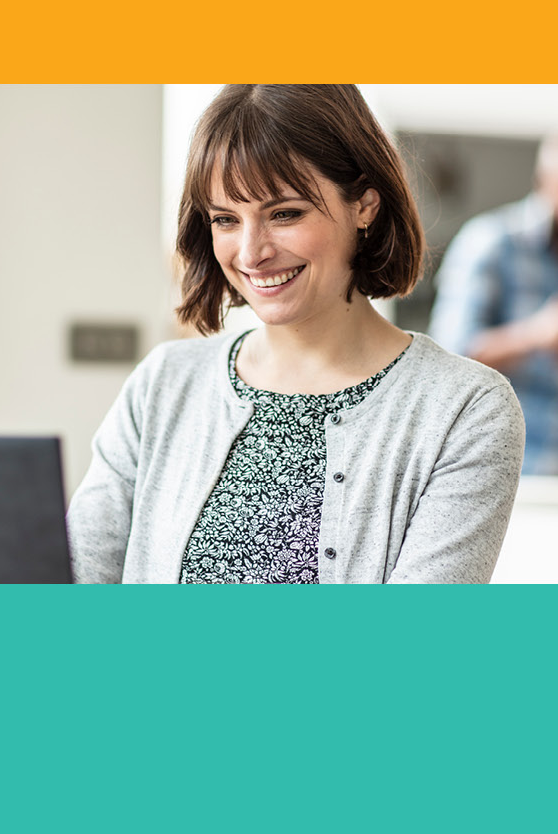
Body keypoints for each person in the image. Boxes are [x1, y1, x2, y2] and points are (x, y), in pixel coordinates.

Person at [68, 84, 525, 584]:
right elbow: (75, 588)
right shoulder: (162, 385)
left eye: (284, 213)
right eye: (225, 219)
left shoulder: (464, 409)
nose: (250, 252)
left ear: (365, 206)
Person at [428, 133, 558, 474]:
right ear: (545, 179)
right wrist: (537, 335)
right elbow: (447, 360)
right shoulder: (490, 242)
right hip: (516, 473)